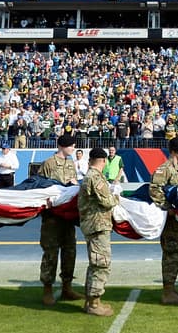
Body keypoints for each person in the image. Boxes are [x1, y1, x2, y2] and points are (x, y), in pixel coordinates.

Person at [38, 135, 82, 306]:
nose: (73, 148)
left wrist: (74, 184)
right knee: (51, 252)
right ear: (62, 146)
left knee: (69, 251)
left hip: (68, 216)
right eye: (71, 145)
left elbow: (72, 183)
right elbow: (40, 184)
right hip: (52, 217)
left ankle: (67, 287)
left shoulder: (70, 163)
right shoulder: (49, 163)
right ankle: (47, 289)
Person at [149, 136, 178, 305]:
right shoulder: (165, 168)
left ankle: (170, 288)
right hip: (169, 220)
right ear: (174, 151)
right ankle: (168, 292)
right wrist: (168, 208)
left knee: (177, 252)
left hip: (176, 220)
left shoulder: (177, 168)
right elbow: (154, 189)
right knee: (172, 252)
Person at [79, 147, 119, 317]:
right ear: (103, 161)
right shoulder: (95, 177)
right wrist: (117, 195)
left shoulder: (91, 176)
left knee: (95, 263)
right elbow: (107, 201)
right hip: (97, 225)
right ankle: (94, 303)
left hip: (94, 224)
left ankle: (91, 300)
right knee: (101, 263)